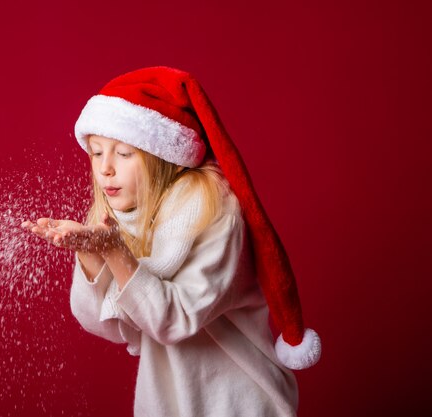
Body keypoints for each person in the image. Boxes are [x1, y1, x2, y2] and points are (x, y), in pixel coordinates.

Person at [21, 66, 321, 417]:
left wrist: (113, 251)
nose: (105, 168)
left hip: (240, 402)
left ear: (162, 154)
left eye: (124, 153)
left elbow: (171, 320)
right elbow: (111, 327)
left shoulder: (214, 212)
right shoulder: (119, 216)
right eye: (97, 152)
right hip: (169, 405)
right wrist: (89, 253)